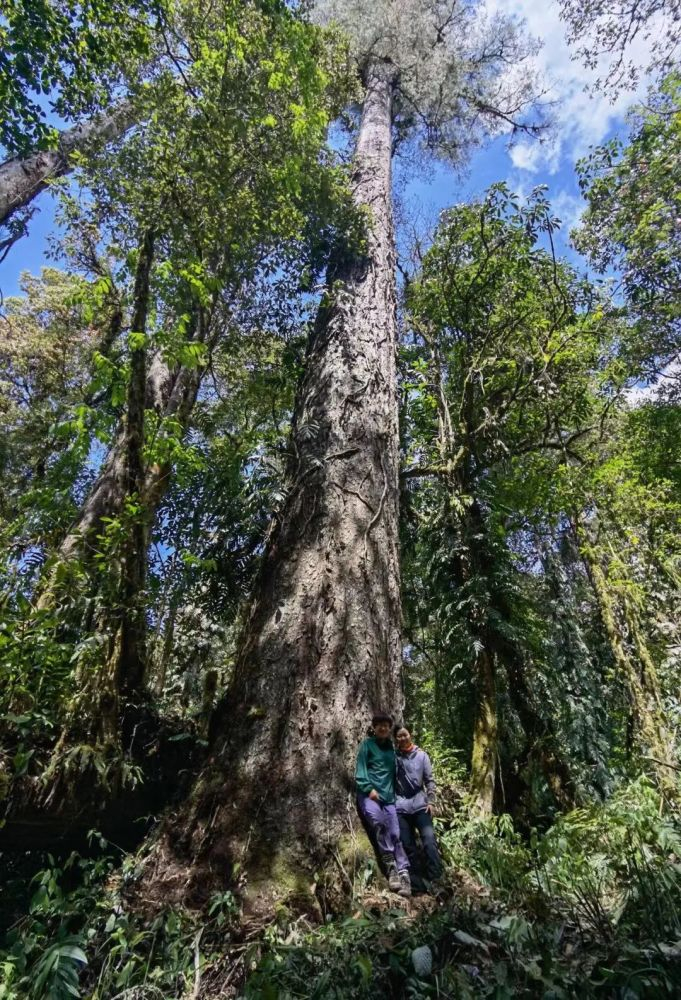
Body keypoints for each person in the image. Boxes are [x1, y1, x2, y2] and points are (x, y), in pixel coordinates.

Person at [356, 711, 411, 897]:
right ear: (374, 727)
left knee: (395, 832)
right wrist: (369, 788)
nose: (383, 728)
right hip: (370, 795)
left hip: (389, 798)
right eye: (379, 725)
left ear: (389, 729)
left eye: (386, 725)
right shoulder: (367, 745)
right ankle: (391, 868)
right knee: (379, 823)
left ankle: (404, 873)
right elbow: (361, 770)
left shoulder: (391, 749)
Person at [394, 724, 443, 894]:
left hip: (421, 805)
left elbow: (429, 780)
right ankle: (417, 884)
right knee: (407, 845)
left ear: (410, 735)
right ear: (396, 739)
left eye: (404, 735)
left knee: (429, 841)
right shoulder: (394, 758)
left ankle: (437, 880)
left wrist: (431, 801)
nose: (402, 738)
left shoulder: (422, 756)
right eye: (399, 736)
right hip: (400, 806)